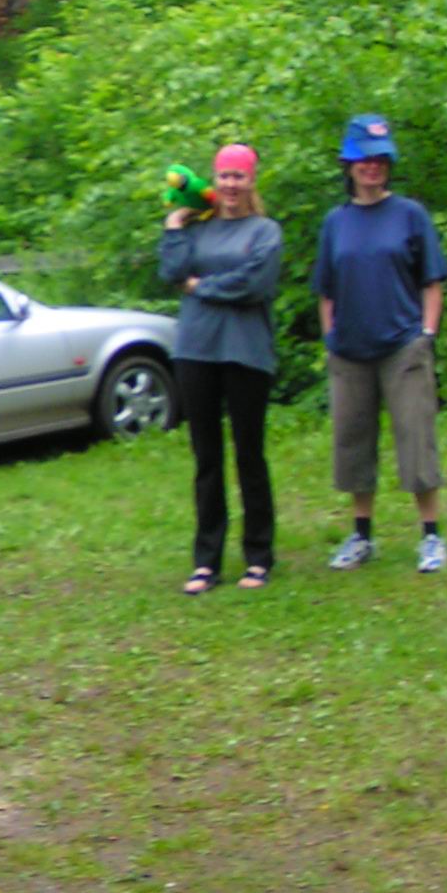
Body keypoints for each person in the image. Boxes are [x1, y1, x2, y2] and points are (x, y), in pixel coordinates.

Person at [313, 113, 447, 574]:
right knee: (353, 443)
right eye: (363, 160)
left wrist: (425, 335)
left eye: (379, 160)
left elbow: (432, 281)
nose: (372, 167)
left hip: (402, 346)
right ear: (349, 165)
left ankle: (430, 536)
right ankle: (361, 535)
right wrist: (331, 338)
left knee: (416, 438)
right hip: (350, 350)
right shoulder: (336, 222)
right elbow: (326, 289)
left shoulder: (410, 215)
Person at [158, 144, 283, 594]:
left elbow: (253, 284)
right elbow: (171, 271)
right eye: (224, 176)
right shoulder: (197, 230)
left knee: (250, 455)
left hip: (246, 353)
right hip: (196, 351)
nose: (231, 184)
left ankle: (259, 556)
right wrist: (174, 225)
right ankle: (206, 561)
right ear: (214, 180)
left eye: (239, 176)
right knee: (206, 458)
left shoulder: (265, 231)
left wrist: (199, 287)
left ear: (252, 181)